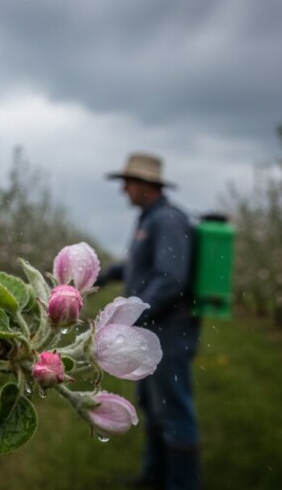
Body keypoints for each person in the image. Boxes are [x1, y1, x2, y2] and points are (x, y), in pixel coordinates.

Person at [98, 152, 200, 490]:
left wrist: (130, 316)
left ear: (145, 185)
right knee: (153, 407)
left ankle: (182, 484)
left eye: (127, 183)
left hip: (169, 332)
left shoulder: (167, 220)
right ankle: (155, 476)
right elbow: (142, 268)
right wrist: (107, 274)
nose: (123, 190)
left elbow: (170, 278)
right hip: (151, 331)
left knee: (173, 410)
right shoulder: (148, 219)